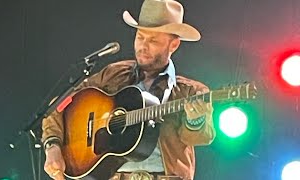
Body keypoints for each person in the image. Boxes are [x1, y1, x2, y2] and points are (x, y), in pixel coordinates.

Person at [41, 0, 216, 179]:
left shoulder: (191, 92)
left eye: (154, 40)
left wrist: (195, 122)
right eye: (140, 37)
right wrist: (52, 145)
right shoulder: (113, 74)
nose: (143, 46)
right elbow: (60, 103)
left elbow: (202, 137)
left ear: (173, 45)